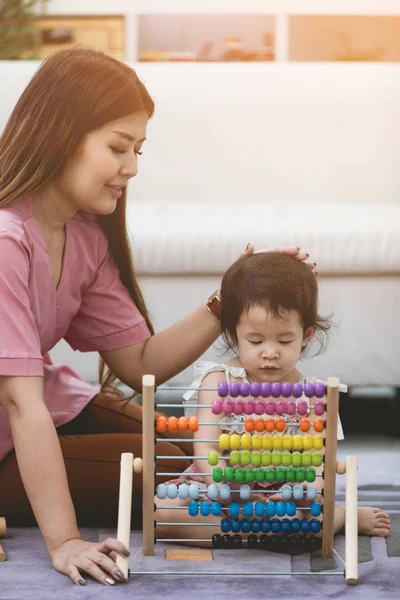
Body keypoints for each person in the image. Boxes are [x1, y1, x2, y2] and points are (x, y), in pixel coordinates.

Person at [0, 47, 316, 586]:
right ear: (59, 135)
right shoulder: (7, 241)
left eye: (139, 150)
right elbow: (18, 401)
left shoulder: (83, 235)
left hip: (51, 403)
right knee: (165, 469)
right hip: (16, 424)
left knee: (190, 454)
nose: (132, 168)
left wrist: (230, 298)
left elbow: (138, 363)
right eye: (118, 147)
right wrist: (65, 541)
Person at [155, 252, 391, 548]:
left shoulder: (310, 396)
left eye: (284, 340)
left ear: (306, 335)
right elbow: (205, 448)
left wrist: (308, 489)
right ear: (234, 334)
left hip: (280, 495)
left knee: (308, 518)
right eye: (255, 341)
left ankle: (339, 517)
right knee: (162, 513)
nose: (270, 352)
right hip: (218, 487)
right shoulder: (218, 381)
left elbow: (316, 462)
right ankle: (269, 534)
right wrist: (223, 490)